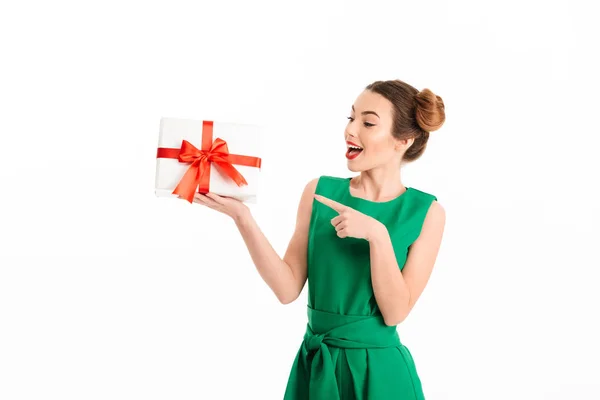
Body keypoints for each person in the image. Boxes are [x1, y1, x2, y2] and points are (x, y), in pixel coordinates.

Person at [190, 79, 446, 399]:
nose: (351, 130)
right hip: (317, 366)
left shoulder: (426, 212)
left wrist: (377, 237)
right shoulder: (319, 192)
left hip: (380, 375)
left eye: (368, 123)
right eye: (351, 118)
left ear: (403, 140)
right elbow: (286, 289)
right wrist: (242, 218)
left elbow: (395, 313)